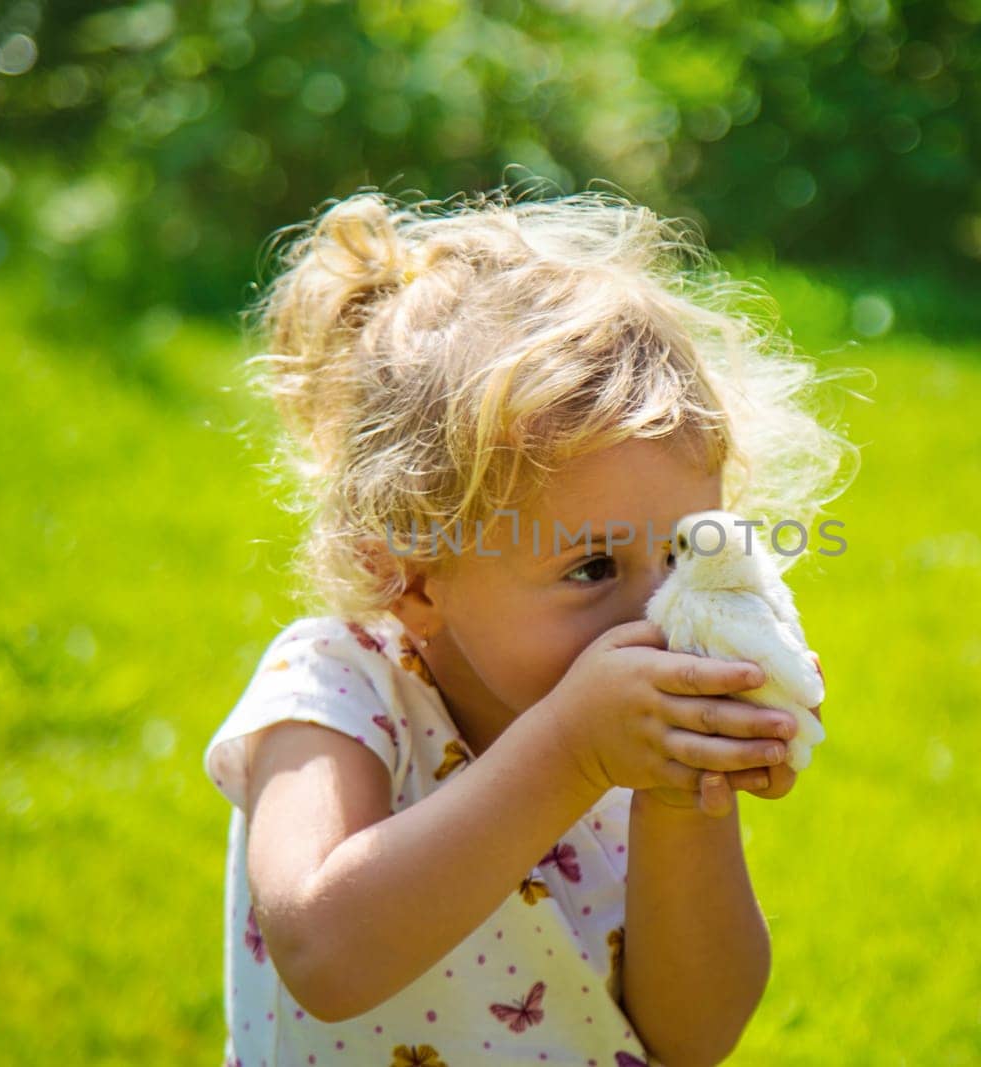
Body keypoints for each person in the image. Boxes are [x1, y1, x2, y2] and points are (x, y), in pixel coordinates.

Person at [203, 186, 859, 1067]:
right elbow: (324, 955)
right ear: (407, 575)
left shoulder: (631, 740)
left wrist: (681, 799)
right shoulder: (337, 687)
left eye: (681, 556)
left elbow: (692, 1036)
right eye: (592, 567)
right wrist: (568, 754)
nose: (656, 617)